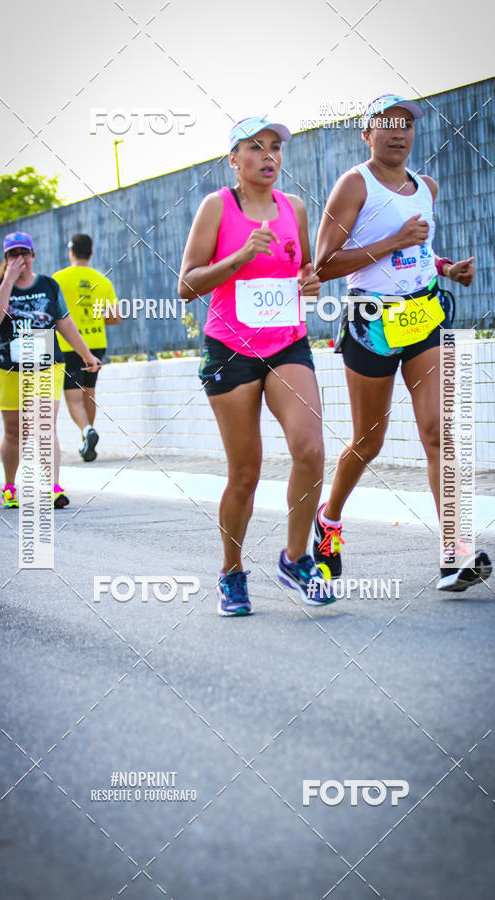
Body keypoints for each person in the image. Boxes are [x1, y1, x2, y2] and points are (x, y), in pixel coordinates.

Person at [312, 94, 492, 593]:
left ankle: (454, 552)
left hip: (421, 313)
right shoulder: (354, 184)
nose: (398, 132)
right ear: (367, 134)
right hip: (369, 319)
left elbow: (419, 251)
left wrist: (446, 267)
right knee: (369, 440)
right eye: (386, 124)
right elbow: (323, 264)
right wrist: (393, 240)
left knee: (439, 430)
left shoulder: (425, 187)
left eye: (407, 124)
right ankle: (328, 521)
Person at [178, 117, 334, 616]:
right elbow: (187, 284)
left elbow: (304, 269)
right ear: (234, 159)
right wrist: (241, 256)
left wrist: (309, 284)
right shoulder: (217, 207)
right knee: (245, 473)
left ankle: (295, 558)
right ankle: (231, 573)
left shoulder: (296, 209)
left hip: (287, 344)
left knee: (309, 449)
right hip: (230, 350)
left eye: (275, 148)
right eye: (255, 147)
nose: (268, 156)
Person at [0, 231, 102, 508]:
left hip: (46, 365)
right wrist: (9, 280)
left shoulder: (49, 285)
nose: (19, 258)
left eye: (24, 252)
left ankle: (54, 487)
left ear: (33, 255)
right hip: (8, 367)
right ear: (6, 258)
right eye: (13, 254)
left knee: (45, 424)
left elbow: (65, 323)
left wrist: (86, 355)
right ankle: (10, 486)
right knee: (15, 431)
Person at [53, 233, 120, 461]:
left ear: (71, 252)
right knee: (89, 394)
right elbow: (115, 317)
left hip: (67, 344)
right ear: (91, 252)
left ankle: (87, 432)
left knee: (73, 397)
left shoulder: (57, 279)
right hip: (96, 343)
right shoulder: (103, 280)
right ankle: (87, 441)